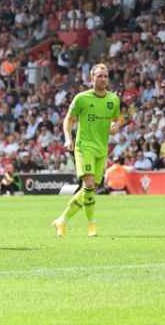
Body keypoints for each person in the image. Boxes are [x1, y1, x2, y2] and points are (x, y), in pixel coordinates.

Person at [53, 63, 124, 239]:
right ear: (91, 78)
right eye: (99, 76)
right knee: (90, 184)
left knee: (88, 189)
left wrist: (116, 126)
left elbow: (118, 118)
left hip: (102, 148)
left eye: (106, 76)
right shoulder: (81, 98)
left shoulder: (113, 99)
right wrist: (68, 138)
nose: (103, 79)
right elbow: (68, 120)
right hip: (84, 146)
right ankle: (91, 225)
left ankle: (62, 219)